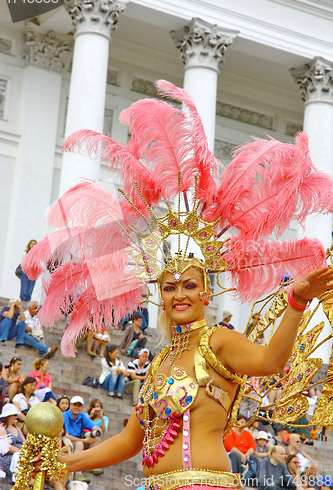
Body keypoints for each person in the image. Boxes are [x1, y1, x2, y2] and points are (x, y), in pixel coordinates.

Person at [28, 83, 333, 490]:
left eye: (189, 285)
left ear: (206, 292)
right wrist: (67, 462)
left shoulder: (218, 343)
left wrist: (297, 299)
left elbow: (270, 362)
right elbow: (128, 440)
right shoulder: (157, 366)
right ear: (160, 295)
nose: (179, 295)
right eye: (169, 287)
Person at [62, 396, 102, 481]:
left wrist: (95, 433)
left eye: (79, 405)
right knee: (80, 444)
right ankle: (77, 473)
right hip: (67, 441)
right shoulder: (65, 416)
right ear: (70, 405)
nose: (76, 407)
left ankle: (89, 465)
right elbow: (66, 435)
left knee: (96, 438)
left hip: (79, 440)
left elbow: (96, 428)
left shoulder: (82, 417)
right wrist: (83, 440)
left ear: (82, 407)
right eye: (75, 405)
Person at [0, 403, 25, 481]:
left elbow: (25, 443)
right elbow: (6, 446)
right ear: (8, 416)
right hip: (8, 457)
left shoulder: (17, 428)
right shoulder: (2, 427)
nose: (16, 417)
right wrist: (22, 452)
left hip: (21, 455)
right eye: (14, 415)